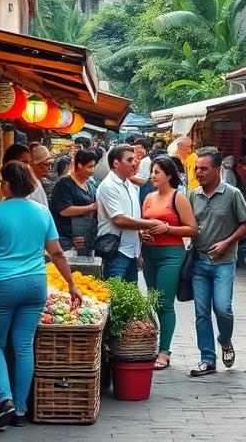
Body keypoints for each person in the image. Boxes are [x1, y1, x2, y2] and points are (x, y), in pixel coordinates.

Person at [0, 162, 81, 430]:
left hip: (1, 285)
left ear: (7, 184)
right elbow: (57, 252)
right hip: (35, 285)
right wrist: (71, 284)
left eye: (2, 180)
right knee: (23, 345)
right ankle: (20, 411)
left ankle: (5, 399)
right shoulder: (42, 212)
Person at [188, 147, 246, 377]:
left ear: (217, 170)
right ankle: (207, 359)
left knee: (223, 309)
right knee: (201, 312)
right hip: (199, 262)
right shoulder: (192, 196)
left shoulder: (232, 194)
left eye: (204, 168)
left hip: (224, 262)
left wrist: (227, 242)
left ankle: (225, 340)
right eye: (197, 168)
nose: (199, 173)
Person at [140, 156, 197, 370]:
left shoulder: (178, 197)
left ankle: (164, 351)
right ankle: (153, 345)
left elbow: (192, 229)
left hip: (171, 254)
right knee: (152, 301)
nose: (152, 176)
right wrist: (141, 233)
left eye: (157, 172)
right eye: (152, 172)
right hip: (149, 253)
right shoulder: (148, 197)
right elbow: (142, 223)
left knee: (164, 303)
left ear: (169, 176)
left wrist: (168, 229)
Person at [96, 144, 163, 281]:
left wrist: (138, 251)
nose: (134, 163)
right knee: (116, 299)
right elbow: (119, 219)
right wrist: (150, 224)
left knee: (129, 300)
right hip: (116, 252)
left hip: (131, 252)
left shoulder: (130, 184)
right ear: (116, 163)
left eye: (135, 159)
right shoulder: (108, 186)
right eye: (129, 160)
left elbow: (134, 217)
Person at [49, 150, 99, 252]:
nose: (92, 170)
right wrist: (91, 207)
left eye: (93, 166)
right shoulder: (64, 184)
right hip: (66, 239)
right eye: (89, 166)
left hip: (85, 239)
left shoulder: (89, 185)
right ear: (79, 165)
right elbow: (64, 210)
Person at [4, 143, 49, 209]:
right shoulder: (25, 186)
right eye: (25, 163)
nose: (28, 166)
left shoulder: (33, 183)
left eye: (29, 162)